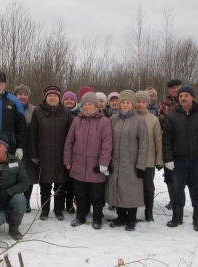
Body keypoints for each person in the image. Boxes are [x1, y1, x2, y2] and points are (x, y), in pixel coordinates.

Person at [162, 86, 198, 231]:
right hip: (179, 159)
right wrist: (168, 158)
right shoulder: (173, 116)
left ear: (193, 97)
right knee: (178, 188)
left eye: (186, 95)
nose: (183, 98)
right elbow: (167, 139)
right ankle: (177, 217)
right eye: (180, 96)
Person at [64, 92, 112, 229]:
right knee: (80, 194)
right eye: (85, 104)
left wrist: (104, 163)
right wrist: (68, 160)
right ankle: (80, 216)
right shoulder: (77, 121)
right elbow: (69, 142)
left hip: (96, 167)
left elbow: (107, 145)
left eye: (90, 104)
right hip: (78, 165)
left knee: (97, 195)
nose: (87, 106)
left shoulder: (104, 122)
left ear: (96, 106)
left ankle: (97, 218)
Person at [106, 90, 148, 231]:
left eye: (128, 102)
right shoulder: (113, 120)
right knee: (118, 189)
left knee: (131, 190)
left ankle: (131, 219)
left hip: (132, 163)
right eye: (123, 102)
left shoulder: (140, 121)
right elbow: (107, 142)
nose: (124, 105)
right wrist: (107, 161)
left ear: (133, 104)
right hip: (116, 162)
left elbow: (144, 145)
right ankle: (121, 217)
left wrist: (141, 165)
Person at [31, 86, 73, 221]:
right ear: (45, 98)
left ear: (59, 98)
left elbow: (71, 136)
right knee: (45, 184)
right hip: (44, 154)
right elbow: (33, 134)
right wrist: (34, 154)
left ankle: (58, 209)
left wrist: (69, 155)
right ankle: (45, 210)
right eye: (50, 95)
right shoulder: (37, 112)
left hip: (61, 154)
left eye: (55, 96)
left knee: (60, 184)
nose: (52, 98)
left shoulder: (66, 113)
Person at [135, 91, 163, 222]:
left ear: (148, 103)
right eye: (138, 101)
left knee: (148, 188)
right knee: (133, 187)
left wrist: (159, 160)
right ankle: (131, 210)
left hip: (149, 160)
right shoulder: (131, 117)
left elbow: (158, 141)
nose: (141, 104)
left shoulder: (153, 120)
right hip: (132, 160)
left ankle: (149, 211)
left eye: (143, 102)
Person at [13, 84, 39, 213]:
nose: (23, 97)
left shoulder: (35, 110)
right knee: (14, 175)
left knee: (29, 175)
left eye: (25, 94)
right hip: (13, 148)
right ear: (15, 95)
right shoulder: (10, 107)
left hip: (29, 148)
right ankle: (16, 201)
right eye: (20, 94)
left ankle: (27, 201)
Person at [157, 79, 181, 210]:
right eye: (173, 88)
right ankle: (173, 200)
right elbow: (159, 123)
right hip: (169, 145)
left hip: (186, 144)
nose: (175, 90)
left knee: (190, 176)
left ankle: (197, 203)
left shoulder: (187, 102)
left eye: (177, 87)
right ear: (169, 90)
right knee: (170, 175)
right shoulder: (164, 105)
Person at [61, 90, 80, 214]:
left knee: (73, 182)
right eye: (66, 99)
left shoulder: (81, 115)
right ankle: (60, 204)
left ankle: (70, 204)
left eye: (71, 99)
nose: (69, 101)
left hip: (77, 152)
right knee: (61, 180)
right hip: (60, 150)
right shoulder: (58, 114)